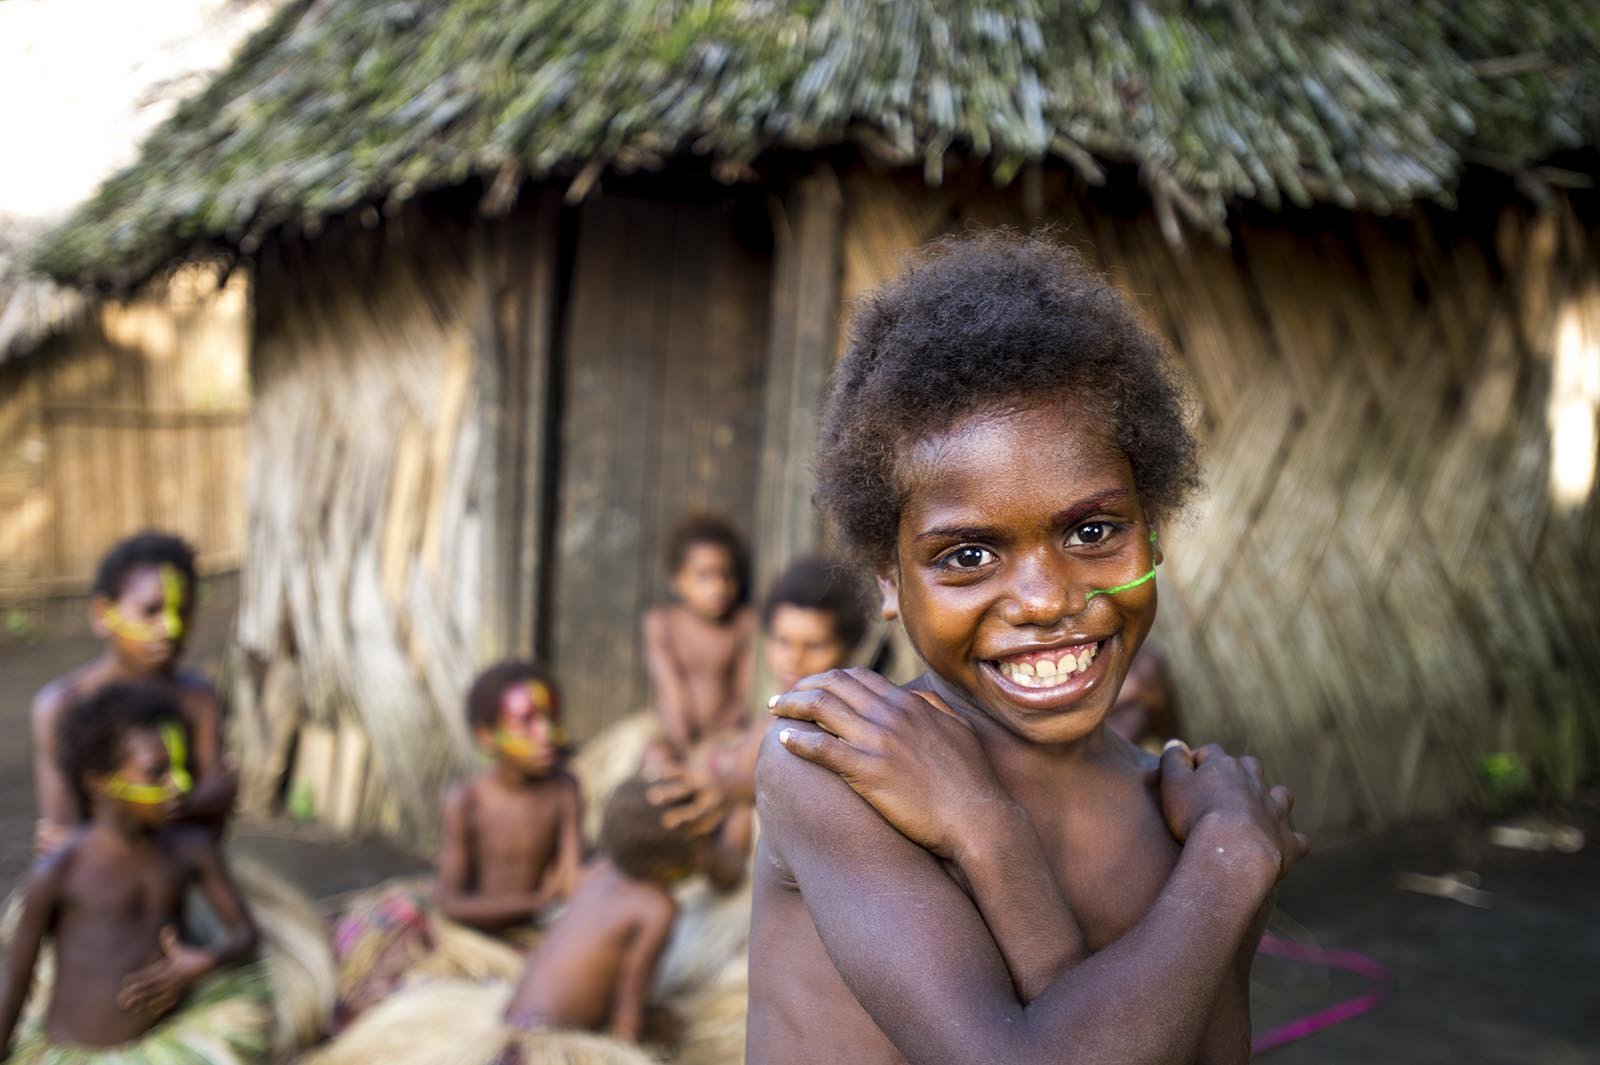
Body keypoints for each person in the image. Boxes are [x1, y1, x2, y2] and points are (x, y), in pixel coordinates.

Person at [750, 232, 1309, 1064]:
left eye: (1093, 530)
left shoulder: (1168, 811)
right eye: (967, 555)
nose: (1048, 600)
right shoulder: (837, 765)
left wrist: (1212, 867)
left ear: (1152, 533)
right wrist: (1233, 864)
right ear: (889, 580)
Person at [0, 683, 265, 1063]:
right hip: (76, 1054)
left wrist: (204, 961)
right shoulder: (61, 872)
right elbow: (14, 985)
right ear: (99, 782)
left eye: (178, 767)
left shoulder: (191, 850)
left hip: (169, 1042)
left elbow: (247, 935)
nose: (178, 785)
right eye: (156, 773)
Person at [331, 661, 581, 1021]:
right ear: (486, 737)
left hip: (527, 937)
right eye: (528, 722)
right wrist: (537, 901)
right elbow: (452, 904)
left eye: (550, 718)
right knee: (391, 996)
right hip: (463, 935)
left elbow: (569, 877)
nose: (545, 733)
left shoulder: (564, 789)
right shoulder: (467, 800)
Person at [30, 532, 236, 855]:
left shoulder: (198, 697)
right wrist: (178, 807)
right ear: (103, 614)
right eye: (151, 611)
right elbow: (61, 836)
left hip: (180, 872)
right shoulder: (63, 705)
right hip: (95, 883)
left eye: (182, 611)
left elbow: (217, 800)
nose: (170, 627)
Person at [498, 775, 696, 1054]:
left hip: (512, 1026)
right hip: (551, 1048)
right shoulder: (658, 907)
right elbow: (629, 1002)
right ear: (673, 860)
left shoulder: (596, 873)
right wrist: (623, 1052)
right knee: (667, 1025)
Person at [641, 514, 756, 766]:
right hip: (672, 732)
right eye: (704, 576)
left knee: (726, 767)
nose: (718, 587)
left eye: (726, 575)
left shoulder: (743, 624)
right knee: (655, 759)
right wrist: (682, 746)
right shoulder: (662, 623)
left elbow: (742, 695)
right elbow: (670, 688)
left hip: (725, 735)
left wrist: (710, 744)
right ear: (678, 581)